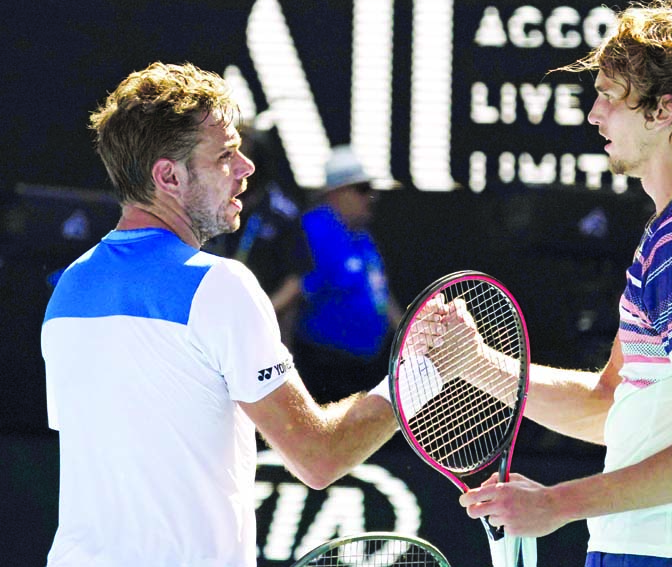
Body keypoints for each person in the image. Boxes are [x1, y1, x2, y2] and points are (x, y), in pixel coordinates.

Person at [457, 0, 672, 566]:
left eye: (609, 95)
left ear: (663, 110)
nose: (594, 115)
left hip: (671, 556)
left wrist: (558, 504)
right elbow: (613, 402)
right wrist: (477, 364)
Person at [40, 62, 403, 566]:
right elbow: (319, 458)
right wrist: (415, 376)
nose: (246, 169)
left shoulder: (67, 293)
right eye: (225, 156)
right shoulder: (221, 286)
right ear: (167, 176)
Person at [291, 145, 404, 404]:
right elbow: (295, 296)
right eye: (362, 189)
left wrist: (407, 336)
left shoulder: (361, 235)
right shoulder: (314, 230)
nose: (371, 197)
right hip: (323, 368)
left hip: (362, 368)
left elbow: (380, 295)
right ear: (335, 193)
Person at [204, 125, 312, 347]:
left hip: (265, 329)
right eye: (228, 157)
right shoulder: (206, 203)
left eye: (246, 157)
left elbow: (296, 281)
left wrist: (261, 313)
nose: (239, 167)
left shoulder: (281, 213)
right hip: (212, 324)